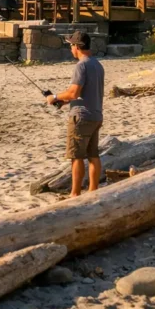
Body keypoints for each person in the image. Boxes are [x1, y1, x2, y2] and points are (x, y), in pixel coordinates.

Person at [46, 31, 105, 197]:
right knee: (93, 155)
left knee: (76, 156)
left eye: (71, 45)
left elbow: (73, 92)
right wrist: (65, 102)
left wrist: (54, 97)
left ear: (77, 46)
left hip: (81, 117)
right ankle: (94, 191)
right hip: (96, 115)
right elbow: (85, 92)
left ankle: (75, 194)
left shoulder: (81, 65)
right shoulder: (97, 64)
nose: (70, 48)